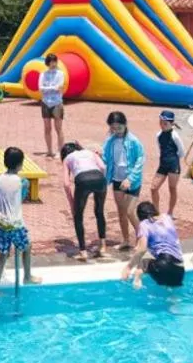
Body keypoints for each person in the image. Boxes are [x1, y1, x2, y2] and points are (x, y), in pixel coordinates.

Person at [0, 147, 41, 295]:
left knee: (3, 254)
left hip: (0, 223)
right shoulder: (23, 182)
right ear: (20, 164)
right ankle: (27, 276)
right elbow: (21, 198)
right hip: (15, 224)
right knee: (27, 247)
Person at [102, 110, 144, 250]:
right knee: (121, 211)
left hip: (132, 181)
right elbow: (106, 158)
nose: (116, 131)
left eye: (119, 127)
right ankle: (126, 240)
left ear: (125, 125)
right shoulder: (110, 141)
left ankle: (142, 239)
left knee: (130, 212)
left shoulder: (133, 141)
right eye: (113, 128)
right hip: (117, 180)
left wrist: (130, 179)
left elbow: (140, 159)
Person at [59, 141, 107, 261]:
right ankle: (103, 246)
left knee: (78, 216)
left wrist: (72, 203)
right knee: (99, 212)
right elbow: (103, 167)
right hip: (100, 178)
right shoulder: (90, 152)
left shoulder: (67, 159)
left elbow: (66, 184)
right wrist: (102, 181)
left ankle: (83, 252)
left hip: (83, 180)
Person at [121, 201, 185, 289]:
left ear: (140, 216)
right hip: (179, 270)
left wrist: (128, 267)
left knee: (143, 256)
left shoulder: (144, 224)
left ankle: (137, 278)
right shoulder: (167, 217)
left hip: (162, 266)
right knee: (172, 297)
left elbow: (142, 249)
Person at [152, 110, 184, 217]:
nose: (162, 125)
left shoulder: (175, 135)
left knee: (172, 188)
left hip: (173, 165)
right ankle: (156, 212)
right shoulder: (158, 135)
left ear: (171, 124)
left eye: (165, 123)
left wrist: (173, 160)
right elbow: (161, 148)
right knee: (153, 188)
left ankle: (170, 212)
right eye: (160, 122)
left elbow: (181, 151)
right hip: (163, 164)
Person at [38, 53, 65, 158]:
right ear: (47, 63)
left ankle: (60, 151)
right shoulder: (43, 74)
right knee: (47, 128)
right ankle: (49, 150)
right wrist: (52, 88)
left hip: (57, 103)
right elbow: (40, 88)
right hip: (45, 103)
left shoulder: (60, 74)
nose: (53, 64)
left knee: (58, 128)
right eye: (50, 62)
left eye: (54, 62)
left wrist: (47, 88)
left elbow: (59, 87)